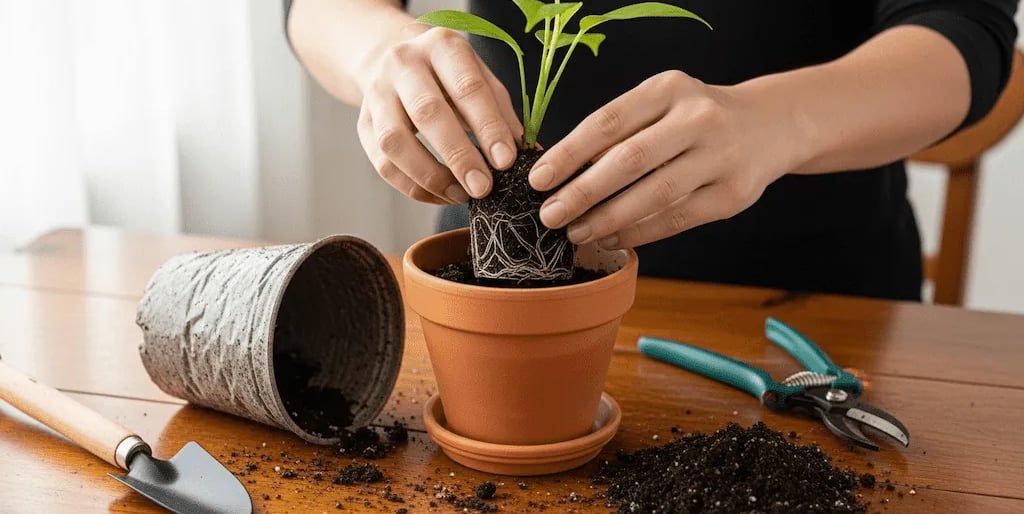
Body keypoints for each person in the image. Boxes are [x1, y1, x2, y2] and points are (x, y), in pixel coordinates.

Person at [283, 0, 1019, 301]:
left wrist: (777, 121)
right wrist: (381, 55)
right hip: (494, 286)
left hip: (808, 306)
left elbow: (964, 33)